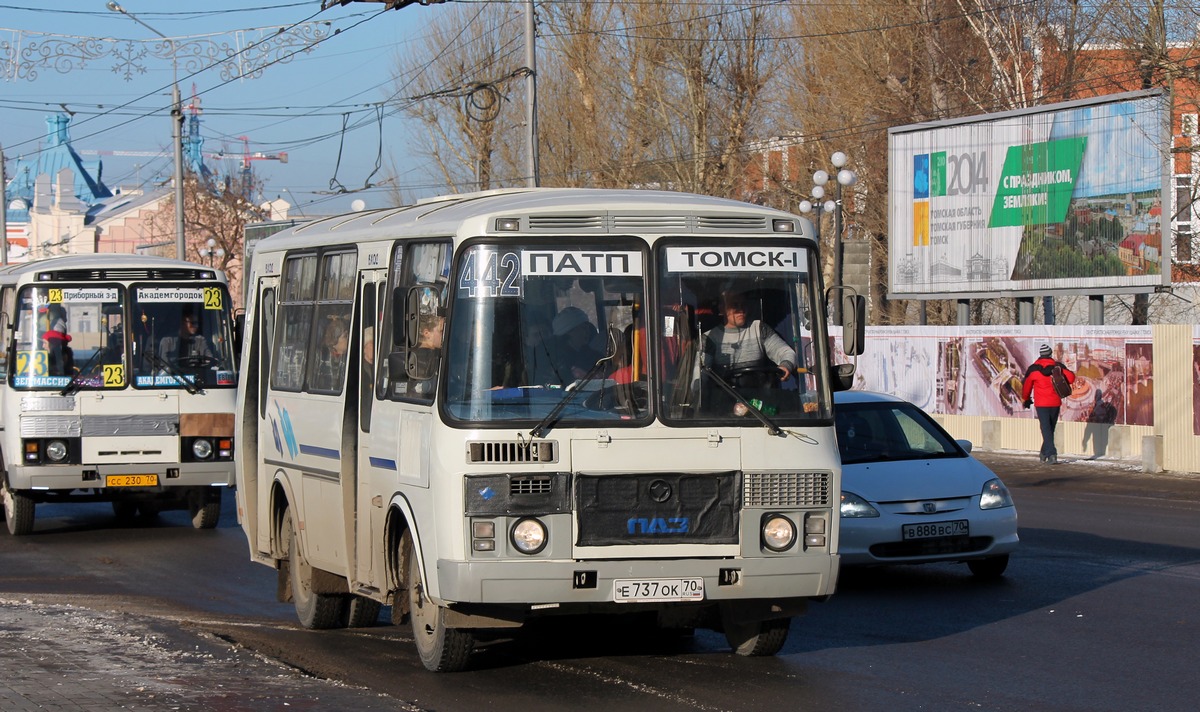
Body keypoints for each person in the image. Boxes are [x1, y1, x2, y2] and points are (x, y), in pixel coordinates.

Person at [701, 290, 796, 386]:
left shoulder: (759, 328)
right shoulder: (709, 338)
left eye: (743, 304)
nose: (741, 309)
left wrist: (785, 366)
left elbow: (786, 352)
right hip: (726, 397)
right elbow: (701, 375)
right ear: (722, 309)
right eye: (735, 305)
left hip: (759, 396)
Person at [1021, 343, 1076, 464]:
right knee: (1050, 429)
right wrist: (1062, 370)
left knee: (1046, 429)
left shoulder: (1033, 369)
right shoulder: (1057, 367)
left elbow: (1027, 386)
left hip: (1041, 404)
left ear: (1040, 355)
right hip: (1055, 402)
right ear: (1050, 354)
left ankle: (1051, 454)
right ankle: (1044, 453)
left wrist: (1025, 399)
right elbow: (1071, 378)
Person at [550, 306, 602, 383]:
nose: (587, 332)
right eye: (583, 328)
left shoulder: (595, 356)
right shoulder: (555, 359)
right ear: (568, 332)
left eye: (588, 328)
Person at [40, 304, 74, 376]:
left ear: (53, 343)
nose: (43, 346)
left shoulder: (61, 358)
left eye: (45, 343)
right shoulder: (43, 359)